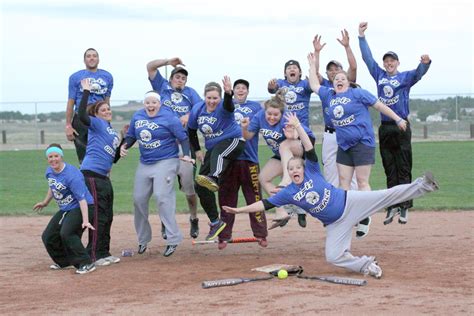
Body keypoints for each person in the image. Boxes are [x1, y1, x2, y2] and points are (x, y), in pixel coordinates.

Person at [223, 112, 439, 279]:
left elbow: (308, 148)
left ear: (303, 169)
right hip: (336, 224)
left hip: (350, 202)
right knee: (333, 256)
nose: (295, 171)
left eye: (297, 168)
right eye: (291, 170)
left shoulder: (313, 170)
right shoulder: (288, 192)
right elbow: (263, 204)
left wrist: (298, 126)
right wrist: (238, 210)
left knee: (388, 195)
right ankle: (366, 265)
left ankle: (424, 184)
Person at [308, 52, 409, 238]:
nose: (338, 80)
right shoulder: (329, 95)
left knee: (362, 182)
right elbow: (314, 85)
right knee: (343, 183)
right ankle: (345, 217)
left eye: (342, 78)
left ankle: (365, 216)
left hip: (363, 143)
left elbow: (379, 106)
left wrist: (397, 119)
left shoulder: (358, 93)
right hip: (344, 145)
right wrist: (312, 64)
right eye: (336, 78)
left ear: (348, 82)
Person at [358, 22, 432, 225]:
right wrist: (361, 37)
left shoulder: (405, 77)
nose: (389, 64)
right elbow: (367, 59)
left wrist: (425, 63)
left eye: (392, 61)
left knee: (404, 166)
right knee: (389, 166)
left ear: (397, 63)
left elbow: (418, 73)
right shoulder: (379, 75)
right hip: (385, 127)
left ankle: (405, 207)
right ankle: (391, 206)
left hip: (402, 126)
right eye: (386, 61)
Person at [120, 91, 192, 257]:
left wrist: (186, 154)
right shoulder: (138, 116)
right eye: (147, 102)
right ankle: (143, 239)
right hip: (145, 162)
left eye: (154, 102)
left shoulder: (169, 117)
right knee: (138, 199)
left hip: (167, 160)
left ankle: (173, 239)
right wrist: (124, 146)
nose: (150, 105)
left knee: (161, 196)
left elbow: (183, 138)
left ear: (159, 104)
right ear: (144, 103)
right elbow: (131, 136)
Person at [312, 33, 368, 238]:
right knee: (331, 176)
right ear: (327, 74)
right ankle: (336, 216)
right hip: (329, 135)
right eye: (331, 69)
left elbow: (354, 68)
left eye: (338, 69)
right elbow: (314, 74)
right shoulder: (326, 88)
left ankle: (358, 215)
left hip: (348, 135)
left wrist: (347, 47)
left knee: (352, 178)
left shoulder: (347, 85)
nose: (335, 72)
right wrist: (317, 52)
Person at [241, 88, 315, 229]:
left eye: (276, 115)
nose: (272, 118)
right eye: (269, 114)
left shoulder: (287, 117)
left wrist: (293, 135)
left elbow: (304, 137)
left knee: (284, 144)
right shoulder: (259, 116)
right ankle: (281, 211)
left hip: (301, 148)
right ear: (265, 111)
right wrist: (244, 128)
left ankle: (287, 181)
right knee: (263, 178)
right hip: (283, 154)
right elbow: (248, 136)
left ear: (282, 114)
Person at [147, 57, 202, 239]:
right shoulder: (162, 88)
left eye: (183, 78)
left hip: (184, 145)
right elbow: (150, 67)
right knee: (164, 188)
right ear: (171, 79)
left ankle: (194, 218)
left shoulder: (190, 93)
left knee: (189, 188)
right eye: (177, 77)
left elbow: (202, 107)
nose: (180, 80)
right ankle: (166, 222)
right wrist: (168, 61)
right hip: (165, 146)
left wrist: (188, 114)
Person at [187, 77, 245, 241]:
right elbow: (191, 131)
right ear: (204, 97)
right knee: (199, 184)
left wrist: (228, 94)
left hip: (233, 141)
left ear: (219, 98)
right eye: (209, 98)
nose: (212, 101)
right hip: (212, 148)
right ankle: (215, 222)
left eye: (215, 98)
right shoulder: (198, 109)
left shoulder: (223, 106)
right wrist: (197, 150)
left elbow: (229, 105)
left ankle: (214, 177)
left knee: (218, 154)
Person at [217, 79, 268, 249]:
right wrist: (227, 93)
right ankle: (223, 236)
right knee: (226, 198)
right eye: (237, 88)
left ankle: (261, 234)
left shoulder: (256, 107)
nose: (240, 90)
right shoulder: (226, 105)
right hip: (229, 160)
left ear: (247, 91)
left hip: (249, 159)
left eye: (243, 88)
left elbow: (269, 115)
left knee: (254, 197)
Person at [78, 79, 122, 267]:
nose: (107, 112)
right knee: (98, 215)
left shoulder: (111, 131)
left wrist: (124, 142)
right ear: (96, 114)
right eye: (103, 110)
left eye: (108, 109)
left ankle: (104, 251)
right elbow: (81, 115)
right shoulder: (95, 123)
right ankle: (94, 254)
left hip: (104, 176)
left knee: (107, 215)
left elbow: (113, 158)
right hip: (91, 175)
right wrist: (86, 91)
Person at [34, 143, 96, 275]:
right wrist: (45, 202)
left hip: (83, 207)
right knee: (48, 236)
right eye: (50, 157)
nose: (53, 159)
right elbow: (53, 186)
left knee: (67, 233)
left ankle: (86, 263)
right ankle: (64, 261)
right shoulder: (50, 171)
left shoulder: (72, 175)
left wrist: (85, 220)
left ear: (61, 157)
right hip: (67, 209)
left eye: (56, 156)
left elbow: (82, 199)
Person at [66, 48, 114, 163]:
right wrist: (68, 125)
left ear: (98, 59)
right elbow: (71, 102)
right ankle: (85, 179)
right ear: (84, 60)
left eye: (94, 56)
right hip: (81, 119)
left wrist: (108, 122)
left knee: (104, 153)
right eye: (88, 56)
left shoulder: (107, 76)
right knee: (84, 157)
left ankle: (103, 179)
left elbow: (107, 100)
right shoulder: (75, 77)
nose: (91, 58)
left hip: (99, 119)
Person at [268, 59, 313, 128]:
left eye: (294, 68)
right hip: (284, 126)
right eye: (289, 68)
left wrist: (312, 82)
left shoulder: (305, 83)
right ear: (285, 74)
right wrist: (271, 86)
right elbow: (272, 90)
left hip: (302, 125)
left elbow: (312, 87)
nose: (292, 70)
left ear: (300, 72)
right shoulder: (281, 83)